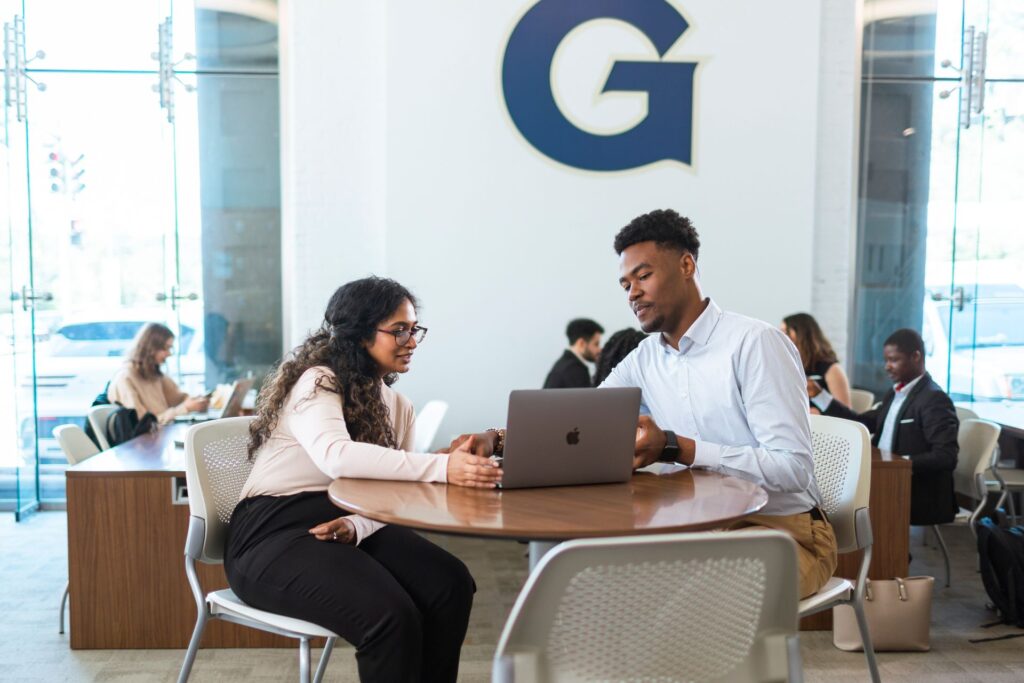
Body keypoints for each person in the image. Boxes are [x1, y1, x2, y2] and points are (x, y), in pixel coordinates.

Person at [452, 209, 837, 599]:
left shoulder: (755, 343)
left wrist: (677, 447)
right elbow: (577, 426)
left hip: (781, 532)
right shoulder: (644, 358)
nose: (632, 292)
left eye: (643, 276)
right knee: (581, 577)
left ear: (686, 265)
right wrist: (498, 440)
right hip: (697, 528)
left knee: (680, 602)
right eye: (625, 284)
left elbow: (793, 470)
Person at [224, 277, 501, 683]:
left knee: (451, 584)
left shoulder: (398, 405)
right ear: (358, 334)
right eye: (399, 330)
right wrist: (439, 468)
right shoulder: (319, 381)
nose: (412, 341)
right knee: (389, 617)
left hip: (348, 521)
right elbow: (336, 456)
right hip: (272, 532)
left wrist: (358, 526)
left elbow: (396, 493)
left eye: (414, 329)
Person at [809, 328, 959, 527]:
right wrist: (820, 396)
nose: (887, 367)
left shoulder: (933, 399)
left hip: (915, 491)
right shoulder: (895, 394)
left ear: (916, 357)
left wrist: (900, 464)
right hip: (886, 481)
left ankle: (885, 557)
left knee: (841, 502)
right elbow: (860, 422)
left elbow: (946, 456)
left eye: (894, 360)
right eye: (886, 360)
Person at [107, 322, 209, 425]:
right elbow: (143, 424)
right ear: (150, 348)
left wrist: (196, 401)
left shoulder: (154, 373)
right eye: (165, 348)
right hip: (144, 439)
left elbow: (179, 398)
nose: (169, 354)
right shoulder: (125, 378)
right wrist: (185, 408)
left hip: (160, 434)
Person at [781, 312, 852, 409]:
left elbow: (846, 414)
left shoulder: (832, 369)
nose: (782, 337)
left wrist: (819, 413)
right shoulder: (793, 365)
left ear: (802, 334)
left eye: (786, 332)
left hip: (822, 422)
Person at [542, 318, 603, 388]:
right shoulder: (575, 370)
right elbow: (588, 398)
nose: (599, 350)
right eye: (596, 344)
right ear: (581, 343)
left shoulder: (563, 365)